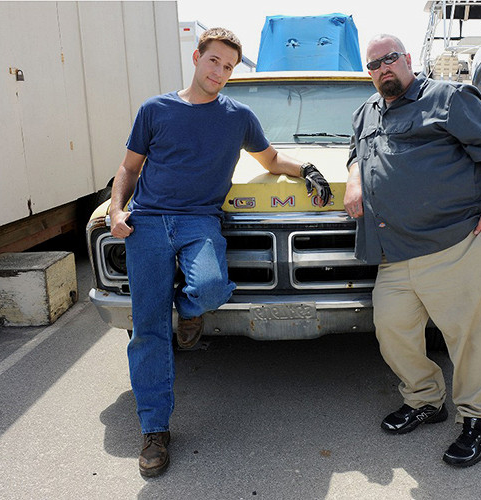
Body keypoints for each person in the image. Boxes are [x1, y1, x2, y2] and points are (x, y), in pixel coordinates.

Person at [109, 27, 332, 478]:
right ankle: (154, 429)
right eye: (214, 61)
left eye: (228, 67)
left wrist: (307, 167)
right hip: (148, 223)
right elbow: (129, 167)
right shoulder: (155, 109)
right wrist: (116, 210)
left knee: (210, 288)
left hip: (199, 221)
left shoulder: (238, 116)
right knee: (148, 330)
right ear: (197, 57)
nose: (220, 72)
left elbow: (271, 160)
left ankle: (189, 310)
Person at [344, 34, 481, 468]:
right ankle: (425, 400)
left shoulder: (450, 98)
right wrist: (354, 180)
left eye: (389, 58)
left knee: (470, 337)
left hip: (453, 242)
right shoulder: (366, 111)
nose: (382, 68)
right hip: (393, 252)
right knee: (392, 329)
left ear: (407, 59)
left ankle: (480, 421)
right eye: (373, 64)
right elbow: (355, 153)